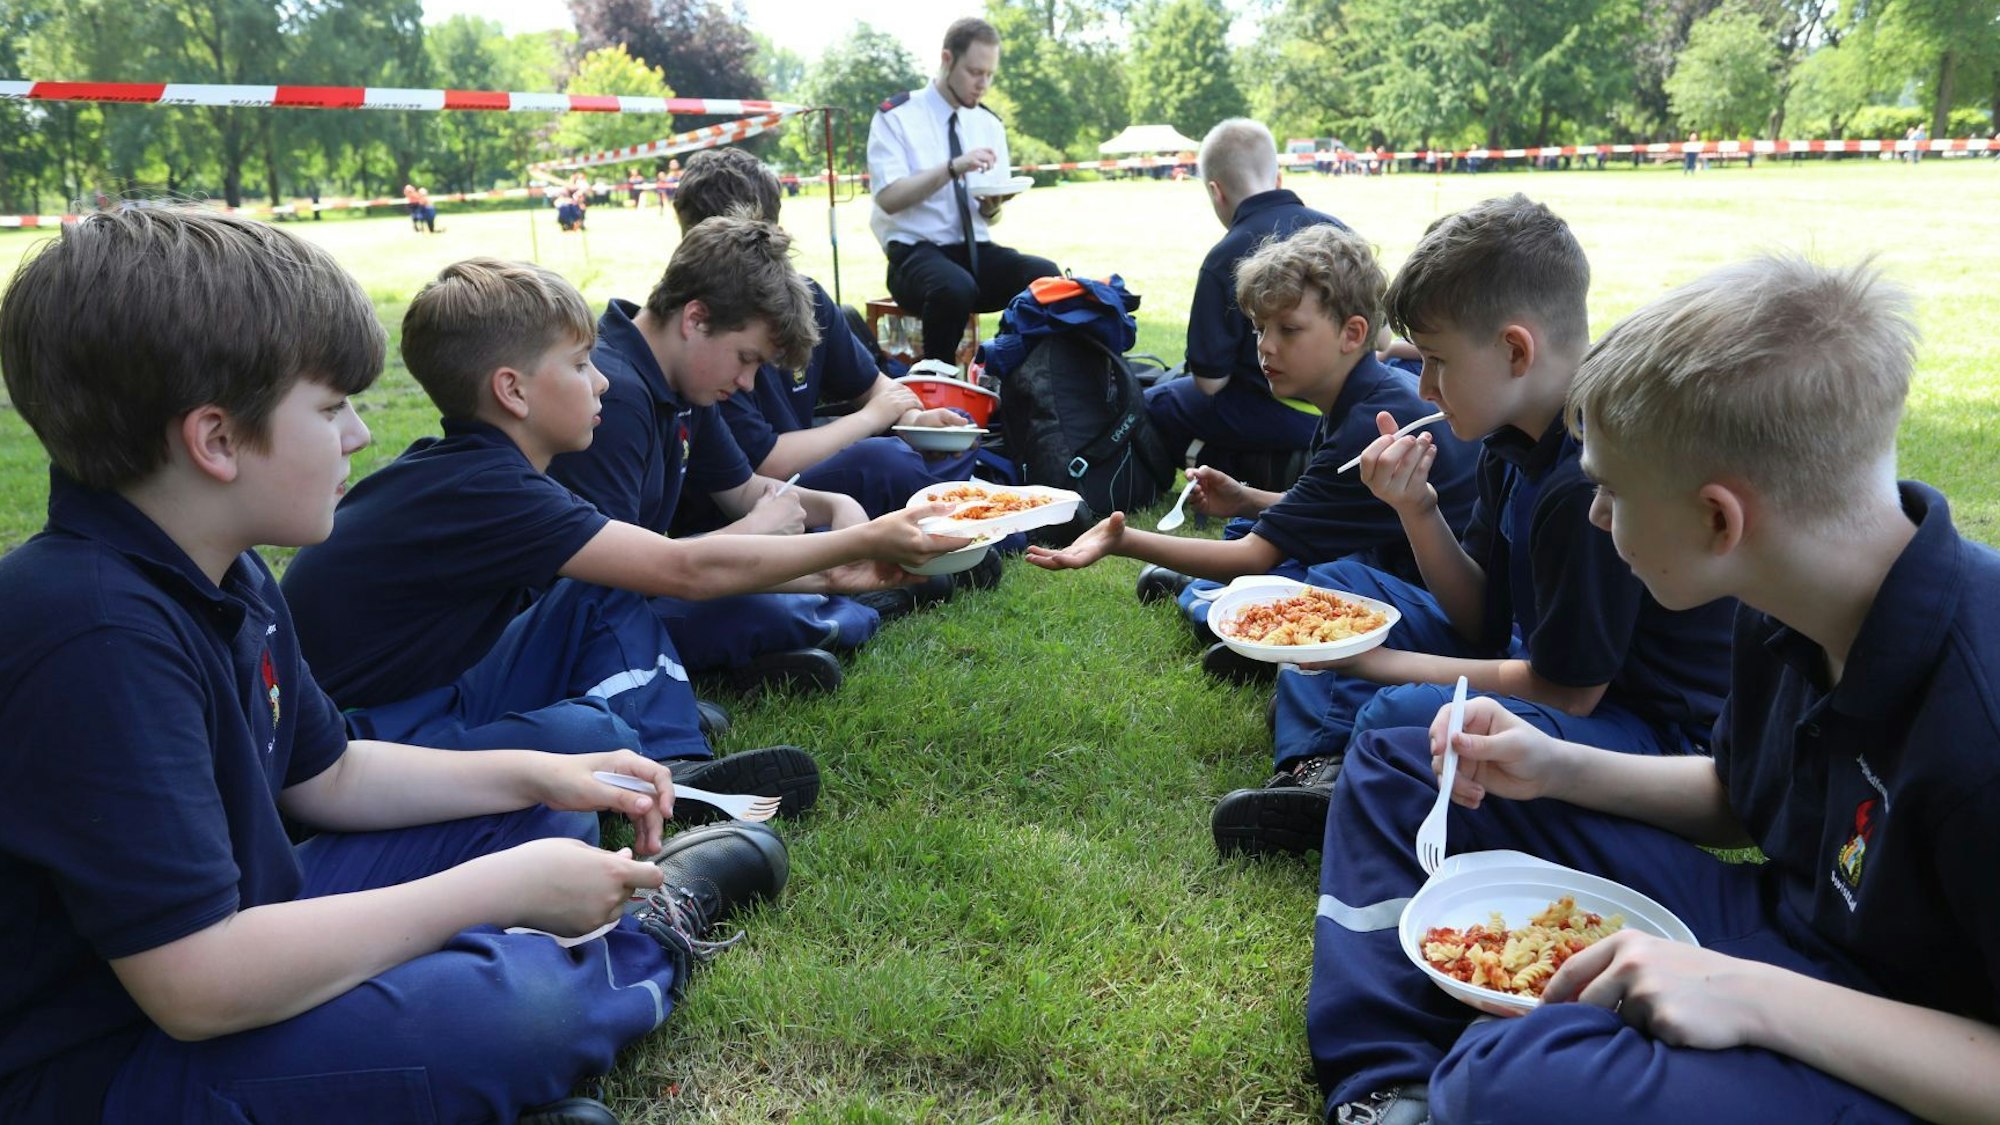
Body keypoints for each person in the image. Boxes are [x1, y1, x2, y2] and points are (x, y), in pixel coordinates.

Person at [0, 206, 793, 1125]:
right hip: (112, 1061)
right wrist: (494, 889)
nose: (360, 437)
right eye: (331, 409)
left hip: (249, 930)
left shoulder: (226, 569)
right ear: (215, 441)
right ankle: (648, 939)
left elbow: (330, 773)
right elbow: (195, 983)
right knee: (513, 1013)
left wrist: (535, 772)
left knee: (539, 805)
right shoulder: (96, 636)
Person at [1307, 253, 2000, 1125]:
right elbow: (1739, 795)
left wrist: (1752, 998)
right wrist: (1554, 765)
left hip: (1901, 1047)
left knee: (1515, 1081)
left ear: (1718, 518)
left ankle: (1485, 1076)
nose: (1596, 516)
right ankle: (1391, 1088)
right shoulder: (1771, 588)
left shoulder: (1981, 715)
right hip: (1769, 927)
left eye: (1611, 492)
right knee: (1407, 759)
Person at [282, 255, 961, 814]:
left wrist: (835, 571)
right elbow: (679, 571)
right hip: (359, 740)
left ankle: (677, 759)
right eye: (580, 365)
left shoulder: (485, 472)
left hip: (437, 689)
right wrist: (860, 543)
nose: (602, 378)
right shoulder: (484, 486)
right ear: (513, 392)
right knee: (592, 733)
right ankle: (677, 770)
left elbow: (637, 573)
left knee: (597, 607)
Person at [1235, 194, 1735, 858]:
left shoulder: (1587, 479)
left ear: (1515, 352)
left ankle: (1353, 751)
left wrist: (1376, 663)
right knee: (1334, 593)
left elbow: (1568, 692)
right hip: (1539, 663)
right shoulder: (1512, 439)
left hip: (1647, 729)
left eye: (1437, 360)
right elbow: (1484, 624)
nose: (1424, 389)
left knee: (1400, 711)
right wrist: (1418, 511)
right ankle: (1318, 768)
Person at [1025, 224, 1478, 679]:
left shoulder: (1367, 422)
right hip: (1391, 558)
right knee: (1254, 523)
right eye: (1260, 328)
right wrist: (1246, 497)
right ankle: (1220, 605)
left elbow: (1252, 556)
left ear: (1352, 333)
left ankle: (1246, 628)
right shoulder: (1359, 394)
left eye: (1290, 329)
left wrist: (1122, 540)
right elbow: (1337, 510)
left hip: (1439, 602)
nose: (1266, 346)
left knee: (1320, 579)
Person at [547, 215, 933, 694]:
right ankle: (826, 616)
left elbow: (745, 490)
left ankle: (834, 609)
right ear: (695, 319)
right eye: (747, 358)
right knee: (760, 606)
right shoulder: (615, 397)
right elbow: (613, 577)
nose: (748, 382)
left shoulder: (687, 383)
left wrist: (833, 506)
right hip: (586, 609)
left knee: (767, 588)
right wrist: (752, 535)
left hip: (644, 581)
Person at [665, 146, 1005, 596]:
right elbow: (761, 468)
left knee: (939, 438)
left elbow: (871, 386)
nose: (746, 378)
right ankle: (970, 528)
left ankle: (964, 519)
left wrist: (915, 420)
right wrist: (873, 420)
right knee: (884, 460)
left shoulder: (806, 299)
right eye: (748, 358)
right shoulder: (702, 346)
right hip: (743, 507)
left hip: (781, 492)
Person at [1145, 118, 1353, 492]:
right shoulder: (1338, 231)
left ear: (1216, 191)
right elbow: (1383, 341)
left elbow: (1210, 383)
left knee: (1156, 402)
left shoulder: (1225, 257)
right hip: (1349, 408)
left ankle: (1247, 467)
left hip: (1283, 411)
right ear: (1277, 177)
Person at [866, 16, 1059, 364]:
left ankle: (1009, 369)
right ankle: (935, 383)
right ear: (946, 59)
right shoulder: (897, 116)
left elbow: (990, 215)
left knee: (1045, 275)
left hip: (974, 251)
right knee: (954, 287)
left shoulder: (988, 123)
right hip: (914, 255)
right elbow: (889, 199)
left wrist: (992, 206)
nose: (983, 84)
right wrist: (953, 166)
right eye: (974, 72)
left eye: (989, 74)